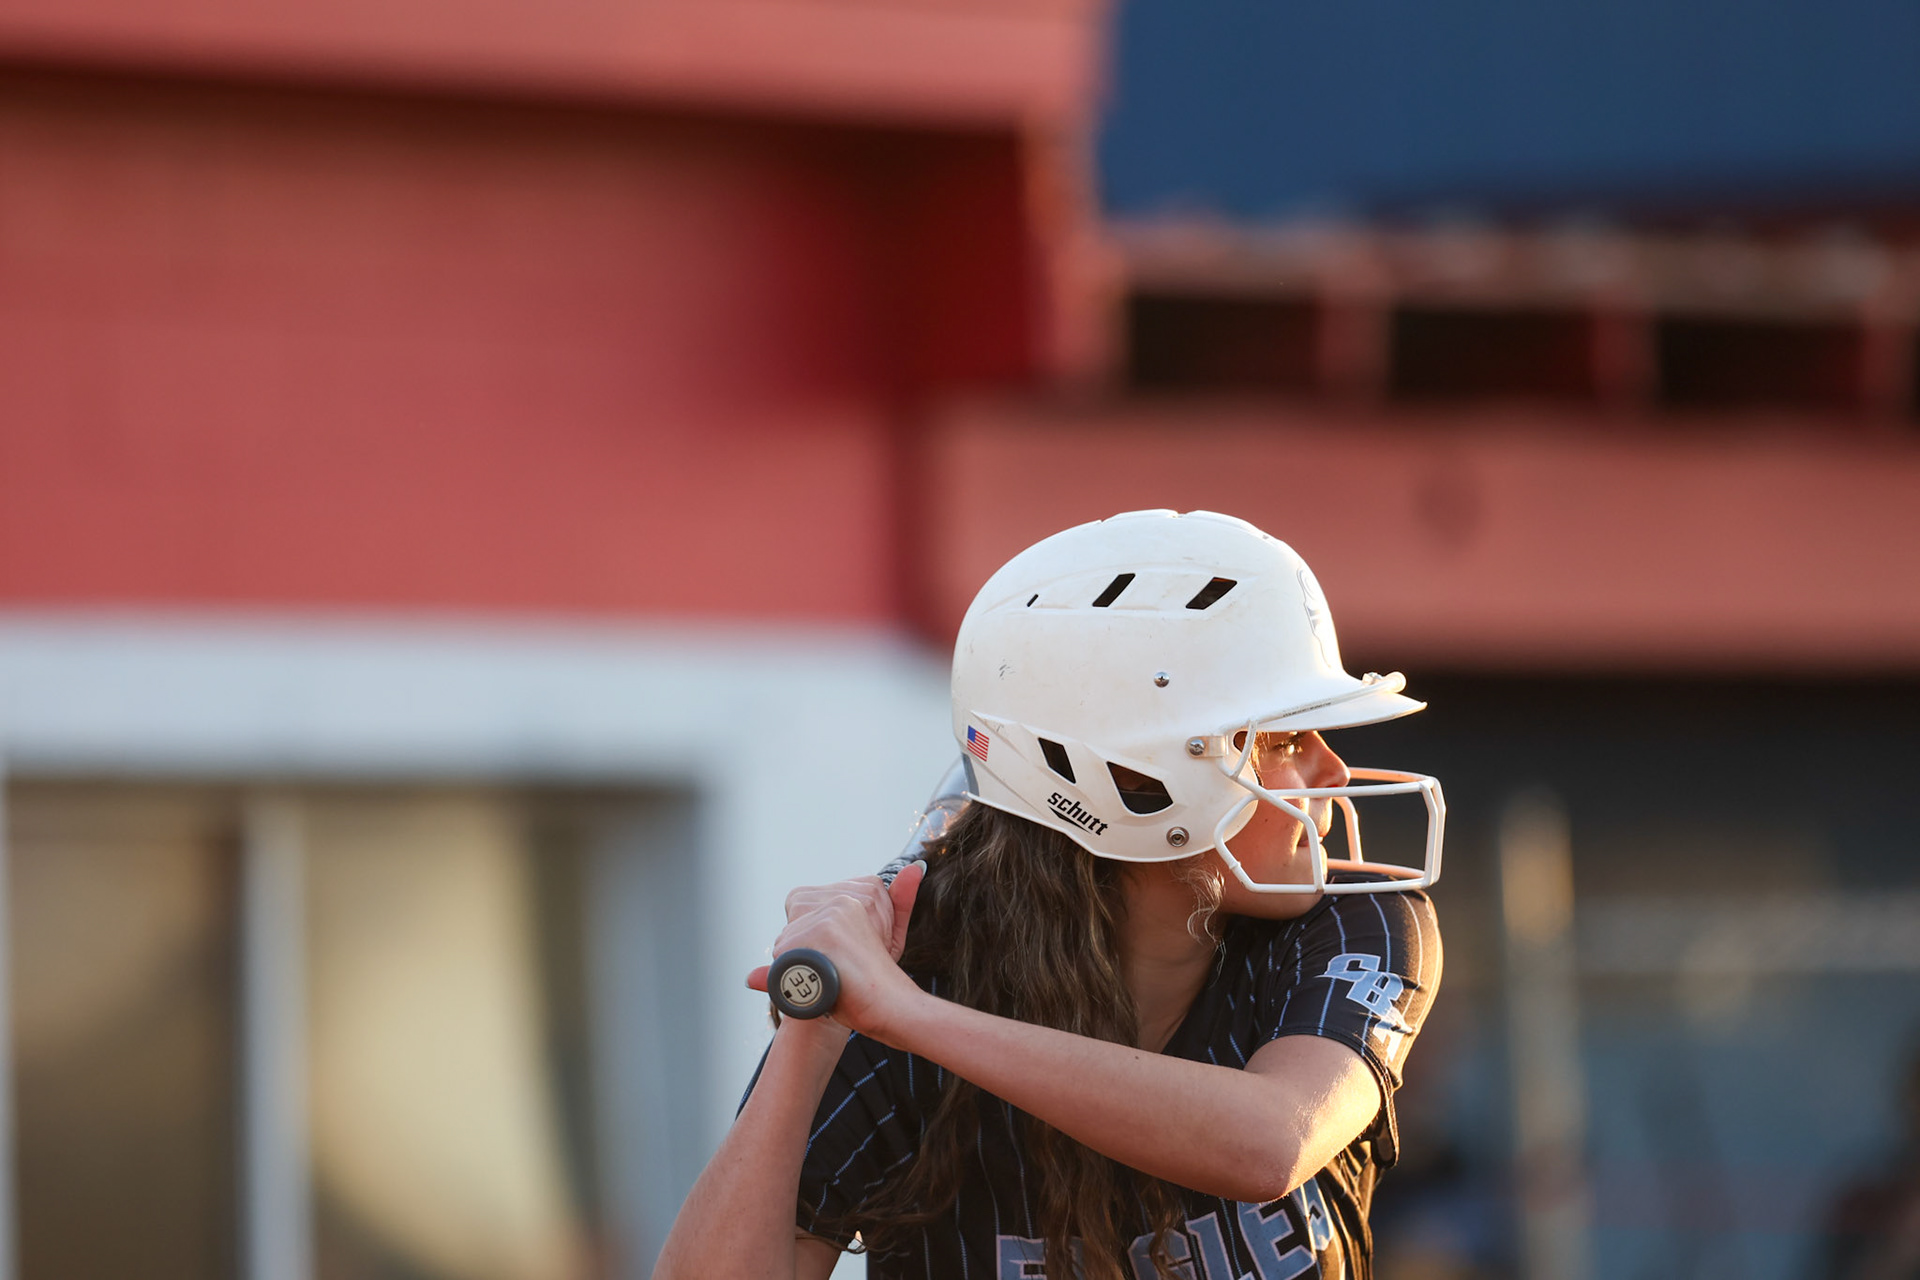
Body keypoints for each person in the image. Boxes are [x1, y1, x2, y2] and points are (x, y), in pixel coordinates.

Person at [655, 509, 1445, 1280]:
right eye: (1285, 739)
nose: (1333, 773)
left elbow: (1270, 1141)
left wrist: (913, 1019)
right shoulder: (910, 973)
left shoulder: (1353, 921)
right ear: (1138, 780)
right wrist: (812, 1040)